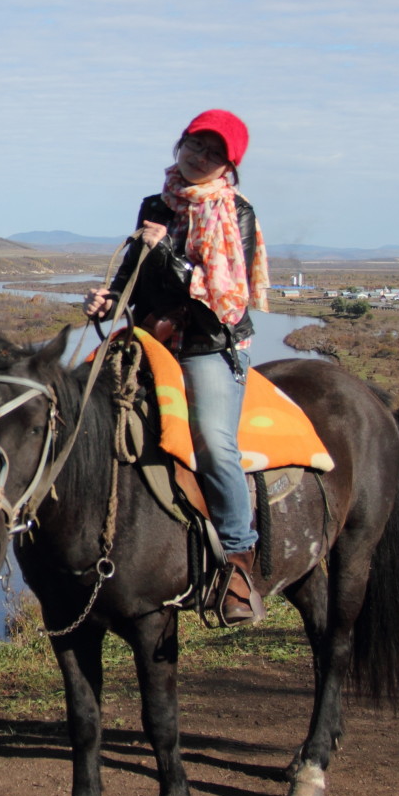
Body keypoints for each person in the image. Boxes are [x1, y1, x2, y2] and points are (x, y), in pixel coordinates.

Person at [83, 109, 270, 623]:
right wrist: (108, 300)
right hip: (154, 339)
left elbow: (226, 296)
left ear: (227, 166)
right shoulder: (153, 205)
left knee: (213, 440)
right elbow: (132, 276)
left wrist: (165, 249)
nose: (198, 157)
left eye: (213, 153)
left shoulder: (237, 212)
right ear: (179, 143)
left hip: (210, 344)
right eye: (194, 144)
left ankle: (237, 557)